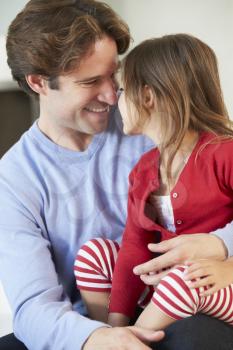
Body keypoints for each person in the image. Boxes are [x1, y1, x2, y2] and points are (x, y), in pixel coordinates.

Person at [0, 1, 232, 349]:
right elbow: (34, 306)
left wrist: (222, 245)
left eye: (115, 75)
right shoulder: (14, 179)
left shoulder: (153, 123)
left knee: (196, 335)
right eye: (91, 81)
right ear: (39, 83)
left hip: (192, 298)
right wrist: (100, 335)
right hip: (100, 314)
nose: (112, 95)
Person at [74, 34, 233, 348]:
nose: (114, 100)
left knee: (184, 279)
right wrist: (114, 326)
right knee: (94, 254)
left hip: (219, 283)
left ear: (147, 97)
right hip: (174, 285)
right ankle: (113, 338)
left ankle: (134, 342)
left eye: (122, 90)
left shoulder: (224, 152)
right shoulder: (144, 169)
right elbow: (136, 245)